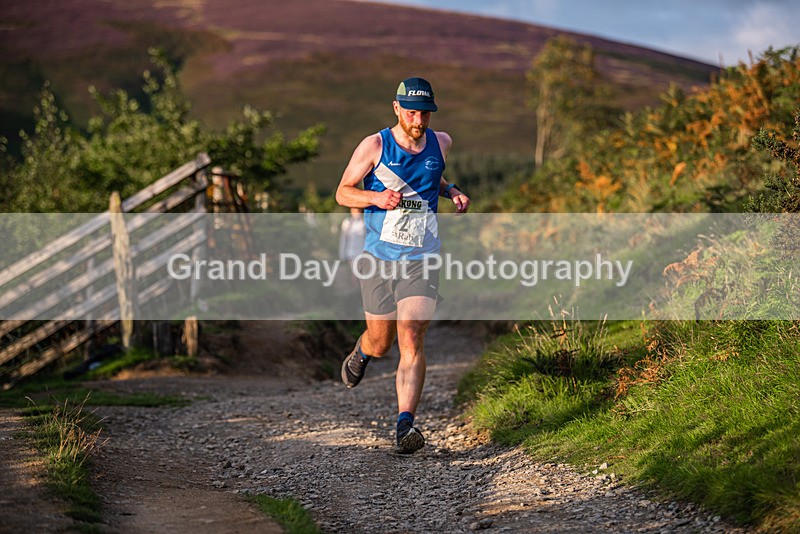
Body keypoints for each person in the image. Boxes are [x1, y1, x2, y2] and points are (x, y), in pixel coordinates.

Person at [335, 77, 470, 454]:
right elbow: (343, 191)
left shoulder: (442, 142)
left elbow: (431, 177)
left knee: (411, 334)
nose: (419, 120)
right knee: (382, 342)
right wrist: (375, 198)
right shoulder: (375, 145)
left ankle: (405, 425)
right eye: (411, 112)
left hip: (422, 258)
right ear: (396, 108)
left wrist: (451, 190)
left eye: (425, 114)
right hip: (379, 259)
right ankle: (363, 351)